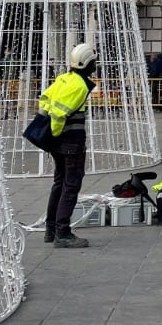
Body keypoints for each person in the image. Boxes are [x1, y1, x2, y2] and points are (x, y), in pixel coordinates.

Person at [40, 43, 98, 248]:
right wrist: (55, 133)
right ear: (87, 64)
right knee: (71, 186)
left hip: (57, 143)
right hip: (70, 141)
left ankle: (51, 228)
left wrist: (51, 136)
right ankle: (62, 232)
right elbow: (60, 112)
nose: (95, 65)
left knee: (59, 183)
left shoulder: (63, 79)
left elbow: (45, 99)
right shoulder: (79, 86)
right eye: (93, 61)